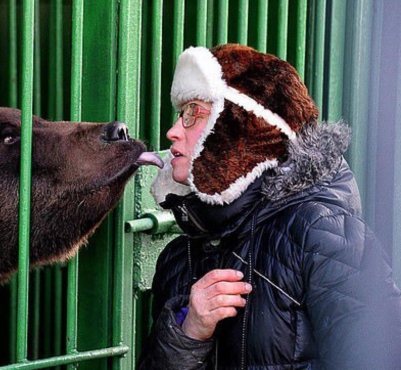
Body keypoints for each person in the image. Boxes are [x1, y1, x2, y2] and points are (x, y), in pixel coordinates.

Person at [137, 44, 401, 370]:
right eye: (181, 115)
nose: (173, 131)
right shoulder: (177, 259)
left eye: (194, 114)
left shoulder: (321, 234)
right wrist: (187, 332)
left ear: (242, 129)